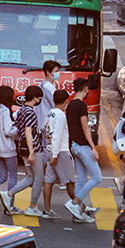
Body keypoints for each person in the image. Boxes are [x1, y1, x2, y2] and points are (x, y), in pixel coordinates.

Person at [43, 89, 91, 222]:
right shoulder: (60, 116)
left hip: (49, 149)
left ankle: (47, 210)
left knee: (48, 181)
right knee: (70, 182)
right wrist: (55, 154)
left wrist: (51, 152)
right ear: (66, 101)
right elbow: (57, 135)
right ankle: (79, 208)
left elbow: (46, 131)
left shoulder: (49, 113)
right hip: (61, 151)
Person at [4, 86, 45, 216]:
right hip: (33, 148)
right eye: (39, 97)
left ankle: (9, 194)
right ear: (35, 98)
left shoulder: (21, 110)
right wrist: (32, 152)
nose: (39, 100)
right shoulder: (30, 112)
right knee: (39, 178)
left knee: (30, 177)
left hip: (22, 147)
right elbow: (28, 132)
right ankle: (32, 206)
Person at [66, 78, 101, 218]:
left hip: (74, 145)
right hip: (82, 146)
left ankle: (78, 212)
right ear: (86, 89)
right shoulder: (81, 105)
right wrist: (93, 147)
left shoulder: (70, 105)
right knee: (97, 177)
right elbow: (85, 128)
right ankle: (75, 203)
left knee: (81, 179)